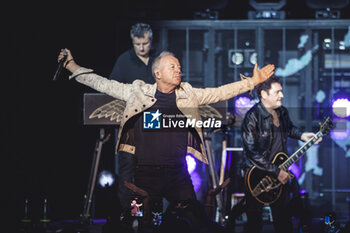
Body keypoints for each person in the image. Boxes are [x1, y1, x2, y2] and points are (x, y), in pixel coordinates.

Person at [57, 48, 275, 232]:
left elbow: (220, 92)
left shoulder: (188, 93)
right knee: (135, 219)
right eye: (172, 66)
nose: (178, 69)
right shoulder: (137, 92)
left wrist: (253, 81)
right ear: (157, 73)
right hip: (144, 176)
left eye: (179, 66)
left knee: (198, 221)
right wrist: (72, 66)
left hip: (178, 176)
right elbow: (103, 84)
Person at [240, 76, 321, 233]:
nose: (282, 95)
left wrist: (303, 136)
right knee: (254, 224)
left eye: (281, 92)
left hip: (280, 170)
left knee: (283, 220)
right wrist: (276, 172)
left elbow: (289, 129)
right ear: (264, 94)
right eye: (277, 92)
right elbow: (251, 152)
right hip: (257, 176)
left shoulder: (282, 112)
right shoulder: (252, 117)